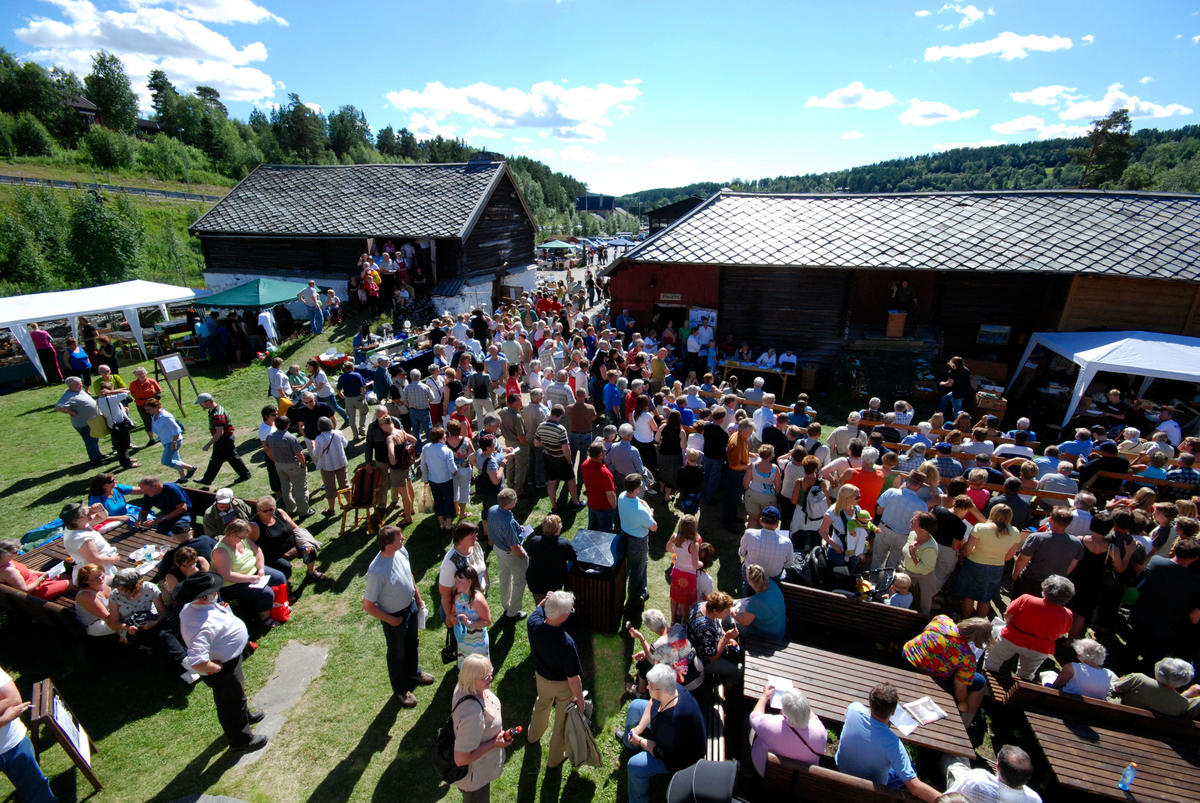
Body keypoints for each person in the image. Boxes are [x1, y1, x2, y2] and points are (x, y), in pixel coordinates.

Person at [177, 571, 268, 753]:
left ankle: (245, 716)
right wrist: (216, 668)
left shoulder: (194, 607)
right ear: (203, 597)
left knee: (237, 695)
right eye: (213, 590)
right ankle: (241, 740)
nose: (216, 592)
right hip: (222, 669)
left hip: (230, 661)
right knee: (230, 703)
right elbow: (197, 661)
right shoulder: (201, 625)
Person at [361, 526, 434, 708]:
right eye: (399, 537)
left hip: (410, 608)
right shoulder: (377, 571)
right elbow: (368, 605)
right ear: (388, 544)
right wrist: (391, 620)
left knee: (412, 643)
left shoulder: (400, 551)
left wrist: (418, 599)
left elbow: (409, 574)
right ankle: (401, 690)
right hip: (394, 617)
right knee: (397, 654)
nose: (403, 538)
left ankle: (414, 672)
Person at [616, 663, 705, 803]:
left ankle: (638, 800)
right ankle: (629, 743)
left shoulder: (674, 721)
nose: (646, 687)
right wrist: (638, 729)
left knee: (634, 765)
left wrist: (640, 740)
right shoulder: (672, 689)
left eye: (650, 686)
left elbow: (658, 750)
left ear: (662, 690)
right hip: (665, 737)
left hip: (678, 758)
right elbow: (652, 702)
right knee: (635, 706)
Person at [835, 683, 941, 800]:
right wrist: (946, 799)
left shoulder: (854, 709)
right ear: (893, 712)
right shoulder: (893, 744)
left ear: (870, 702)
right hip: (873, 786)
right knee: (910, 766)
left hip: (842, 768)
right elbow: (914, 787)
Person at [526, 590, 589, 769]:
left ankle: (533, 736)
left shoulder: (533, 623)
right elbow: (573, 679)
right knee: (561, 721)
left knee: (541, 705)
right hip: (562, 686)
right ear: (563, 616)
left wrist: (547, 601)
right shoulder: (567, 643)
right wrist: (580, 700)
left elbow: (539, 609)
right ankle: (554, 759)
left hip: (542, 679)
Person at [984, 575, 1075, 680]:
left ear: (1045, 588)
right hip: (1040, 648)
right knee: (1026, 675)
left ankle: (985, 683)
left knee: (992, 662)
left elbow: (1007, 616)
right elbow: (1060, 635)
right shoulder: (1068, 615)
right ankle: (1021, 687)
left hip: (1011, 637)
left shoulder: (1026, 599)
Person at [903, 616, 992, 723]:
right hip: (927, 673)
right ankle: (966, 721)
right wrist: (962, 703)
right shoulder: (967, 658)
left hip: (908, 656)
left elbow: (926, 630)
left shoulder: (943, 619)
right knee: (981, 681)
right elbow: (959, 686)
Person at [451, 654, 511, 802]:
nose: (491, 678)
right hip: (474, 778)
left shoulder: (465, 687)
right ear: (471, 679)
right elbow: (461, 759)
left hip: (480, 769)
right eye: (485, 677)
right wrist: (494, 743)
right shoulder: (473, 715)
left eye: (491, 672)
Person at [211, 518, 285, 629]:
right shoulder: (220, 551)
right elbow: (227, 575)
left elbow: (258, 551)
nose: (244, 539)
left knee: (279, 577)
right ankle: (265, 618)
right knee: (266, 593)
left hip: (254, 572)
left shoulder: (243, 539)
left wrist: (261, 569)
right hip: (233, 584)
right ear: (232, 535)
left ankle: (279, 606)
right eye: (242, 537)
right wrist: (250, 578)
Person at [0, 662, 57, 802]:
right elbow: (9, 703)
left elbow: (14, 699)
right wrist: (5, 718)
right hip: (12, 742)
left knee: (38, 795)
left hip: (13, 743)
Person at [956, 504, 1023, 619]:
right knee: (985, 598)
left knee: (969, 595)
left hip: (974, 564)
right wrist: (997, 559)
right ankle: (980, 623)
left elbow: (967, 549)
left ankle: (965, 621)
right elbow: (1010, 555)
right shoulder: (1015, 532)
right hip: (996, 567)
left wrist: (964, 556)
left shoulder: (980, 528)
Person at [748, 682, 826, 777]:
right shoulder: (821, 732)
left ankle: (745, 769)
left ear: (783, 713)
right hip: (801, 779)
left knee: (748, 725)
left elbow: (754, 717)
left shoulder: (771, 725)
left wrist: (764, 697)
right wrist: (800, 700)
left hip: (766, 772)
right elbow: (811, 714)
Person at [249, 496, 326, 584]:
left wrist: (305, 543)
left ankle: (311, 573)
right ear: (258, 510)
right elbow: (251, 544)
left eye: (271, 509)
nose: (269, 512)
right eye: (265, 511)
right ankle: (285, 583)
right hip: (273, 555)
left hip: (292, 546)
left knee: (310, 551)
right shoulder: (254, 526)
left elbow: (296, 528)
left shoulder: (280, 512)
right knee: (285, 567)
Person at [1011, 509, 1083, 597]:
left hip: (1030, 580)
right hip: (1054, 585)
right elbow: (1072, 565)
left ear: (1051, 519)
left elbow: (1022, 560)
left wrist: (1015, 575)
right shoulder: (1077, 543)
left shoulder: (1036, 538)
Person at [944, 745, 1041, 803]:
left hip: (964, 789)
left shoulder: (977, 780)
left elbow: (946, 799)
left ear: (998, 767)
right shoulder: (1035, 800)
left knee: (955, 761)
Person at [438, 522, 490, 628]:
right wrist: (449, 617)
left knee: (478, 631)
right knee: (462, 634)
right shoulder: (450, 562)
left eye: (476, 535)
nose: (476, 539)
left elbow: (482, 565)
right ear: (461, 538)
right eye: (472, 537)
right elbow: (445, 594)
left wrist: (487, 584)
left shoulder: (475, 546)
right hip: (461, 608)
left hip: (478, 598)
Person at [195, 392, 251, 486]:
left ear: (208, 402)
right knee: (216, 460)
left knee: (233, 458)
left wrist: (208, 444)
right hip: (221, 439)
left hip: (224, 439)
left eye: (201, 403)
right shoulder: (214, 410)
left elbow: (219, 432)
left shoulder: (217, 414)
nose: (201, 405)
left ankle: (245, 475)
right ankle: (207, 480)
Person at [1113, 657, 1200, 717]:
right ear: (1185, 681)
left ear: (1158, 669)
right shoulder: (1183, 704)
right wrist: (1185, 694)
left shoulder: (1139, 679)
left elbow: (1117, 688)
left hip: (1116, 715)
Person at [618, 473, 657, 602]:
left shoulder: (622, 496)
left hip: (625, 536)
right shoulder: (641, 511)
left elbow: (640, 501)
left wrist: (645, 507)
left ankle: (641, 590)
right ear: (637, 488)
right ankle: (634, 596)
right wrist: (650, 512)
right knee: (637, 570)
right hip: (638, 543)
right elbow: (654, 527)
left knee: (635, 565)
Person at [264, 415, 310, 520]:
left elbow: (267, 448)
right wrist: (303, 464)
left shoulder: (270, 436)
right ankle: (303, 512)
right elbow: (299, 454)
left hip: (279, 465)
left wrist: (275, 459)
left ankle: (291, 509)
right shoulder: (290, 437)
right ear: (288, 425)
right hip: (293, 465)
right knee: (300, 488)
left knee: (285, 488)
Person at [143, 398, 199, 482]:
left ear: (157, 407)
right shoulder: (155, 416)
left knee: (166, 461)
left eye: (149, 409)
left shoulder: (165, 416)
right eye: (146, 410)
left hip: (173, 441)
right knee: (176, 459)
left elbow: (176, 430)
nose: (147, 412)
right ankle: (183, 478)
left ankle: (191, 468)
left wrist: (174, 442)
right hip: (166, 441)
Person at [54, 376, 105, 465]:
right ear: (71, 386)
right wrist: (70, 412)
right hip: (83, 424)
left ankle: (97, 455)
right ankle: (96, 460)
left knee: (94, 439)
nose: (81, 385)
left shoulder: (79, 391)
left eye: (81, 383)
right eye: (78, 384)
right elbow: (58, 407)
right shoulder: (68, 395)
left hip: (91, 421)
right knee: (90, 441)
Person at [524, 514, 575, 599]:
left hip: (536, 581)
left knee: (540, 604)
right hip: (554, 584)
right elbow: (573, 557)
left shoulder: (534, 541)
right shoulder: (564, 544)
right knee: (552, 605)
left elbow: (530, 554)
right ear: (558, 530)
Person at [1048, 638, 1117, 699]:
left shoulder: (1071, 667)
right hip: (1094, 708)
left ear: (1080, 655)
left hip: (1064, 703)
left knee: (1049, 674)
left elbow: (1056, 686)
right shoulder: (1109, 674)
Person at [0, 539, 69, 599]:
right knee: (72, 582)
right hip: (35, 592)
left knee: (65, 576)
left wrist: (44, 574)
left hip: (37, 581)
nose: (18, 553)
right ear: (5, 554)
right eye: (15, 552)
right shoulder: (9, 571)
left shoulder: (6, 561)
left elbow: (26, 571)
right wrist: (42, 578)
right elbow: (26, 590)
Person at [904, 511, 942, 617]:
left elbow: (925, 570)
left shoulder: (931, 547)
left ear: (923, 527)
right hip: (908, 573)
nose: (911, 520)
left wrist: (913, 555)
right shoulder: (912, 534)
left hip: (923, 579)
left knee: (923, 608)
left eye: (915, 520)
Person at [734, 564, 786, 641]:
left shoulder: (756, 601)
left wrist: (732, 613)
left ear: (750, 582)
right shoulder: (772, 584)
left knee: (728, 620)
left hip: (770, 637)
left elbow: (744, 622)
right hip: (779, 631)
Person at [422, 427, 459, 531]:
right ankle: (448, 524)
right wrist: (457, 472)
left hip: (432, 479)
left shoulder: (426, 448)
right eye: (444, 435)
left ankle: (441, 523)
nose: (446, 436)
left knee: (437, 500)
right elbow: (452, 468)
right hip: (446, 480)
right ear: (441, 437)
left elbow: (422, 465)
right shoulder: (447, 450)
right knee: (448, 501)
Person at [95, 381, 138, 469]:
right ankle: (126, 463)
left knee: (120, 444)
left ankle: (126, 460)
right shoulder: (112, 398)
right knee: (124, 444)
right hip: (120, 424)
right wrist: (111, 392)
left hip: (111, 425)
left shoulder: (99, 400)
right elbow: (127, 392)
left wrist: (122, 409)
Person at [73, 563, 118, 637]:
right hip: (97, 624)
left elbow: (122, 579)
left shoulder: (102, 581)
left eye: (100, 574)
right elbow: (107, 617)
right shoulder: (86, 596)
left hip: (112, 614)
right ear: (85, 581)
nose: (100, 579)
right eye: (95, 578)